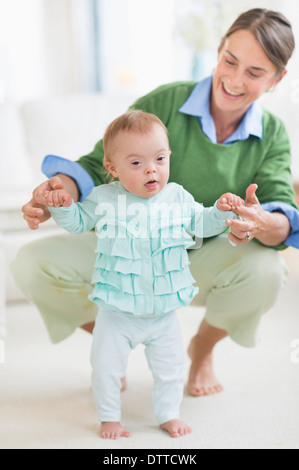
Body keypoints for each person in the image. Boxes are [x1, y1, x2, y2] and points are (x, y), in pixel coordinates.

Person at [11, 8, 299, 400]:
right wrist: (56, 193)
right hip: (120, 247)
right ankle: (114, 340)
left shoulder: (273, 135)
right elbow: (100, 164)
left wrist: (266, 221)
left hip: (197, 258)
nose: (233, 80)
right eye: (229, 61)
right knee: (30, 264)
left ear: (277, 79)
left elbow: (281, 205)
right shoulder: (165, 102)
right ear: (218, 50)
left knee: (267, 272)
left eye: (254, 72)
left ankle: (202, 349)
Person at [45, 110, 244, 438]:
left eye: (160, 158)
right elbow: (78, 222)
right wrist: (62, 206)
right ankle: (109, 417)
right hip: (116, 313)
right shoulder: (105, 198)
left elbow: (201, 224)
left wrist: (220, 211)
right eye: (136, 163)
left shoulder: (178, 197)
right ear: (112, 168)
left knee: (171, 369)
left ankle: (168, 413)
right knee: (106, 368)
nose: (151, 169)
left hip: (163, 314)